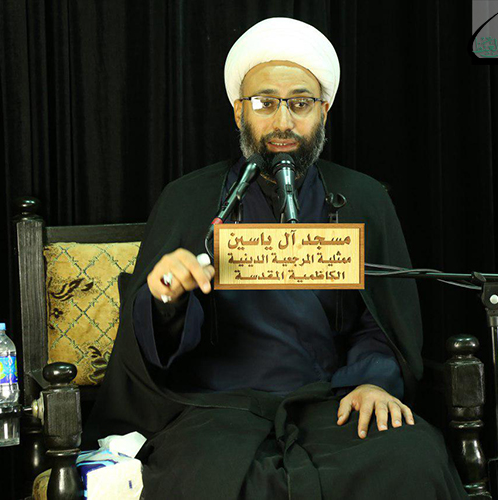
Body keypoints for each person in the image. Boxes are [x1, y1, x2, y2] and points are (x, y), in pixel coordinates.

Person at [89, 17, 468, 499]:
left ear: (324, 111)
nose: (283, 122)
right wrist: (167, 299)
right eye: (265, 103)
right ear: (238, 112)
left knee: (413, 461)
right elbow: (155, 344)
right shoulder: (188, 198)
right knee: (204, 481)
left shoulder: (362, 197)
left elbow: (382, 322)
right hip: (214, 410)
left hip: (334, 401)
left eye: (300, 103)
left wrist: (372, 382)